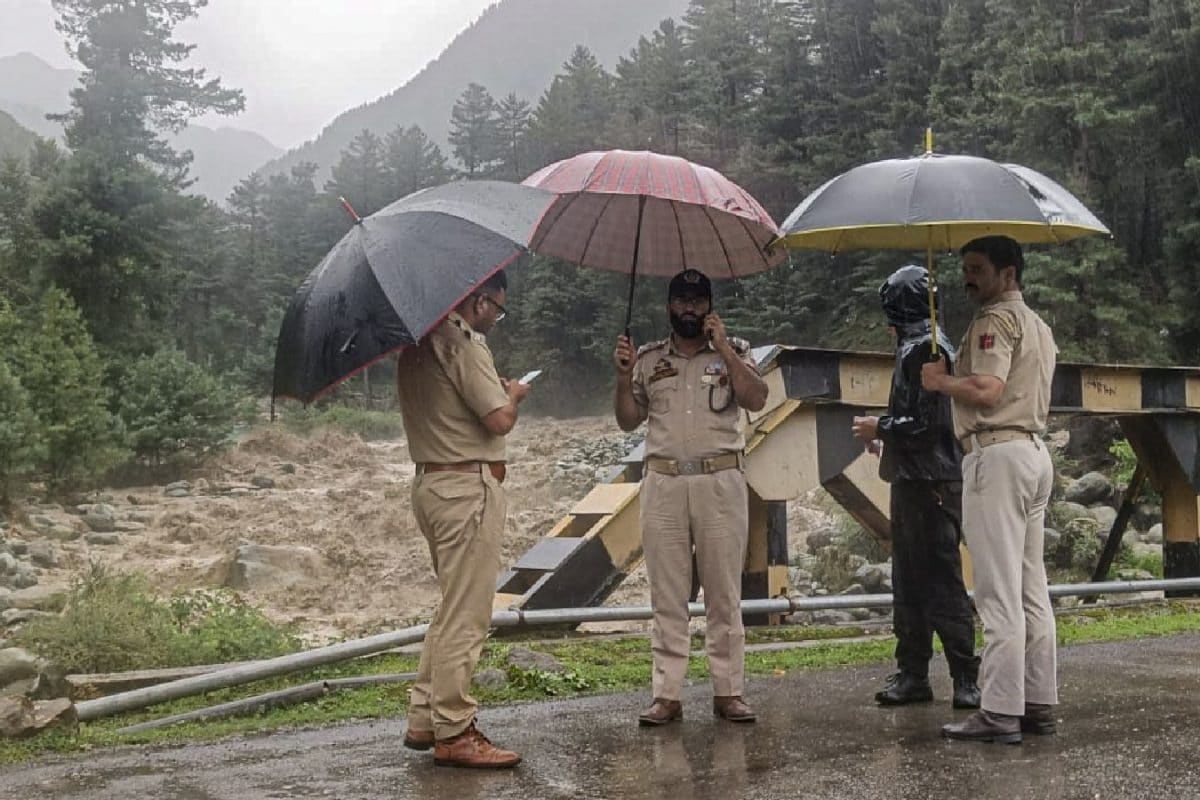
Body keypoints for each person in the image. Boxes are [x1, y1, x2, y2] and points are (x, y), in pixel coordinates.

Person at [613, 268, 768, 727]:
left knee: (724, 590)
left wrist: (722, 347)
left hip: (720, 481)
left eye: (698, 301)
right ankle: (666, 695)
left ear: (709, 306)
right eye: (681, 300)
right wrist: (622, 378)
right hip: (663, 483)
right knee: (668, 592)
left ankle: (729, 692)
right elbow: (627, 421)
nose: (689, 308)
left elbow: (756, 398)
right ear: (668, 306)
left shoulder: (736, 351)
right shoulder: (647, 359)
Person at [921, 236, 1059, 744]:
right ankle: (1038, 701)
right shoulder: (1038, 326)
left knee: (998, 593)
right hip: (1033, 453)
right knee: (1031, 590)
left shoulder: (993, 321)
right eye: (966, 268)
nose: (968, 277)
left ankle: (999, 710)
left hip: (996, 455)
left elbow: (988, 390)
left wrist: (940, 382)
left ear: (1008, 272)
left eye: (978, 268)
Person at [396, 269, 529, 768]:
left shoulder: (416, 343)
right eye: (497, 306)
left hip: (431, 483)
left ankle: (425, 718)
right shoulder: (460, 339)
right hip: (465, 488)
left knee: (450, 606)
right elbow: (498, 420)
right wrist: (512, 394)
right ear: (477, 300)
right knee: (468, 613)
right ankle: (454, 728)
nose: (496, 316)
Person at [851, 265, 981, 709]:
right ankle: (916, 673)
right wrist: (888, 436)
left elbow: (923, 424)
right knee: (911, 579)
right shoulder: (924, 344)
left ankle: (963, 676)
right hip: (921, 478)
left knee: (938, 581)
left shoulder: (921, 349)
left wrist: (879, 427)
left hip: (929, 481)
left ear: (897, 308)